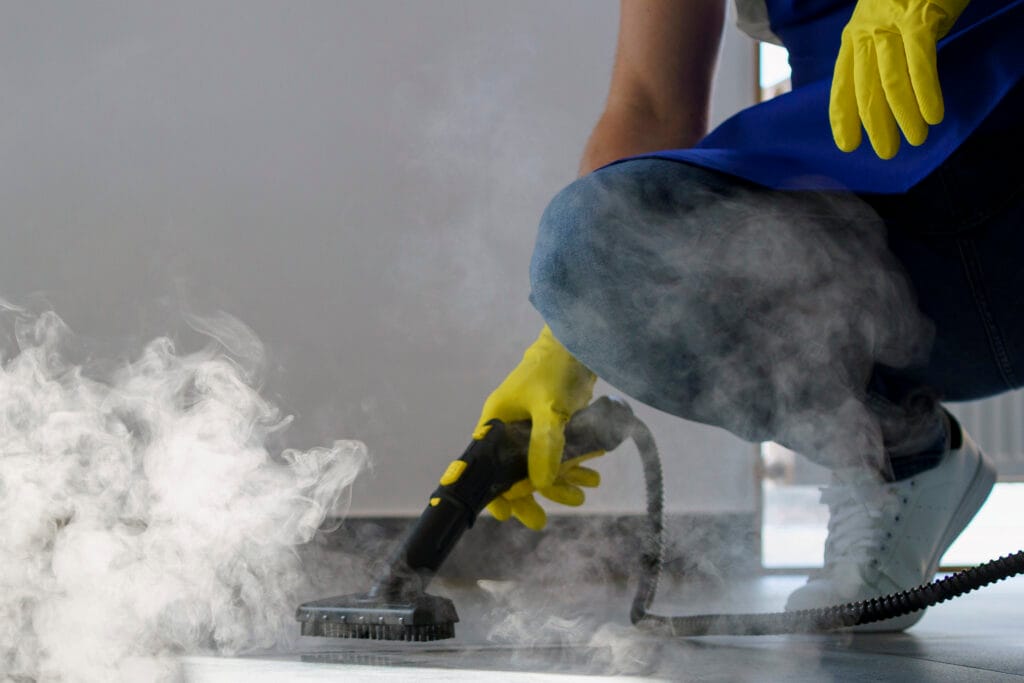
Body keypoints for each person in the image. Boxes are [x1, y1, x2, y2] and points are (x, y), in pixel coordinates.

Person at [473, 0, 1023, 631]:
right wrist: (568, 339)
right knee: (589, 242)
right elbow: (652, 105)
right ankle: (898, 458)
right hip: (868, 226)